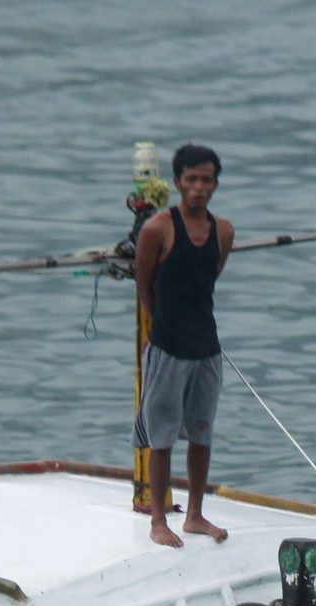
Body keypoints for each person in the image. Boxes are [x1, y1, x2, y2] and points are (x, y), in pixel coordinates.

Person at [132, 143, 233, 550]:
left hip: (206, 347)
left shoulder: (223, 231)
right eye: (190, 179)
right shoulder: (158, 229)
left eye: (206, 180)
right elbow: (145, 285)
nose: (198, 187)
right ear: (176, 183)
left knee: (202, 432)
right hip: (168, 348)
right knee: (162, 436)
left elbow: (209, 279)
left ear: (214, 185)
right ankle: (158, 518)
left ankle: (194, 514)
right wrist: (163, 327)